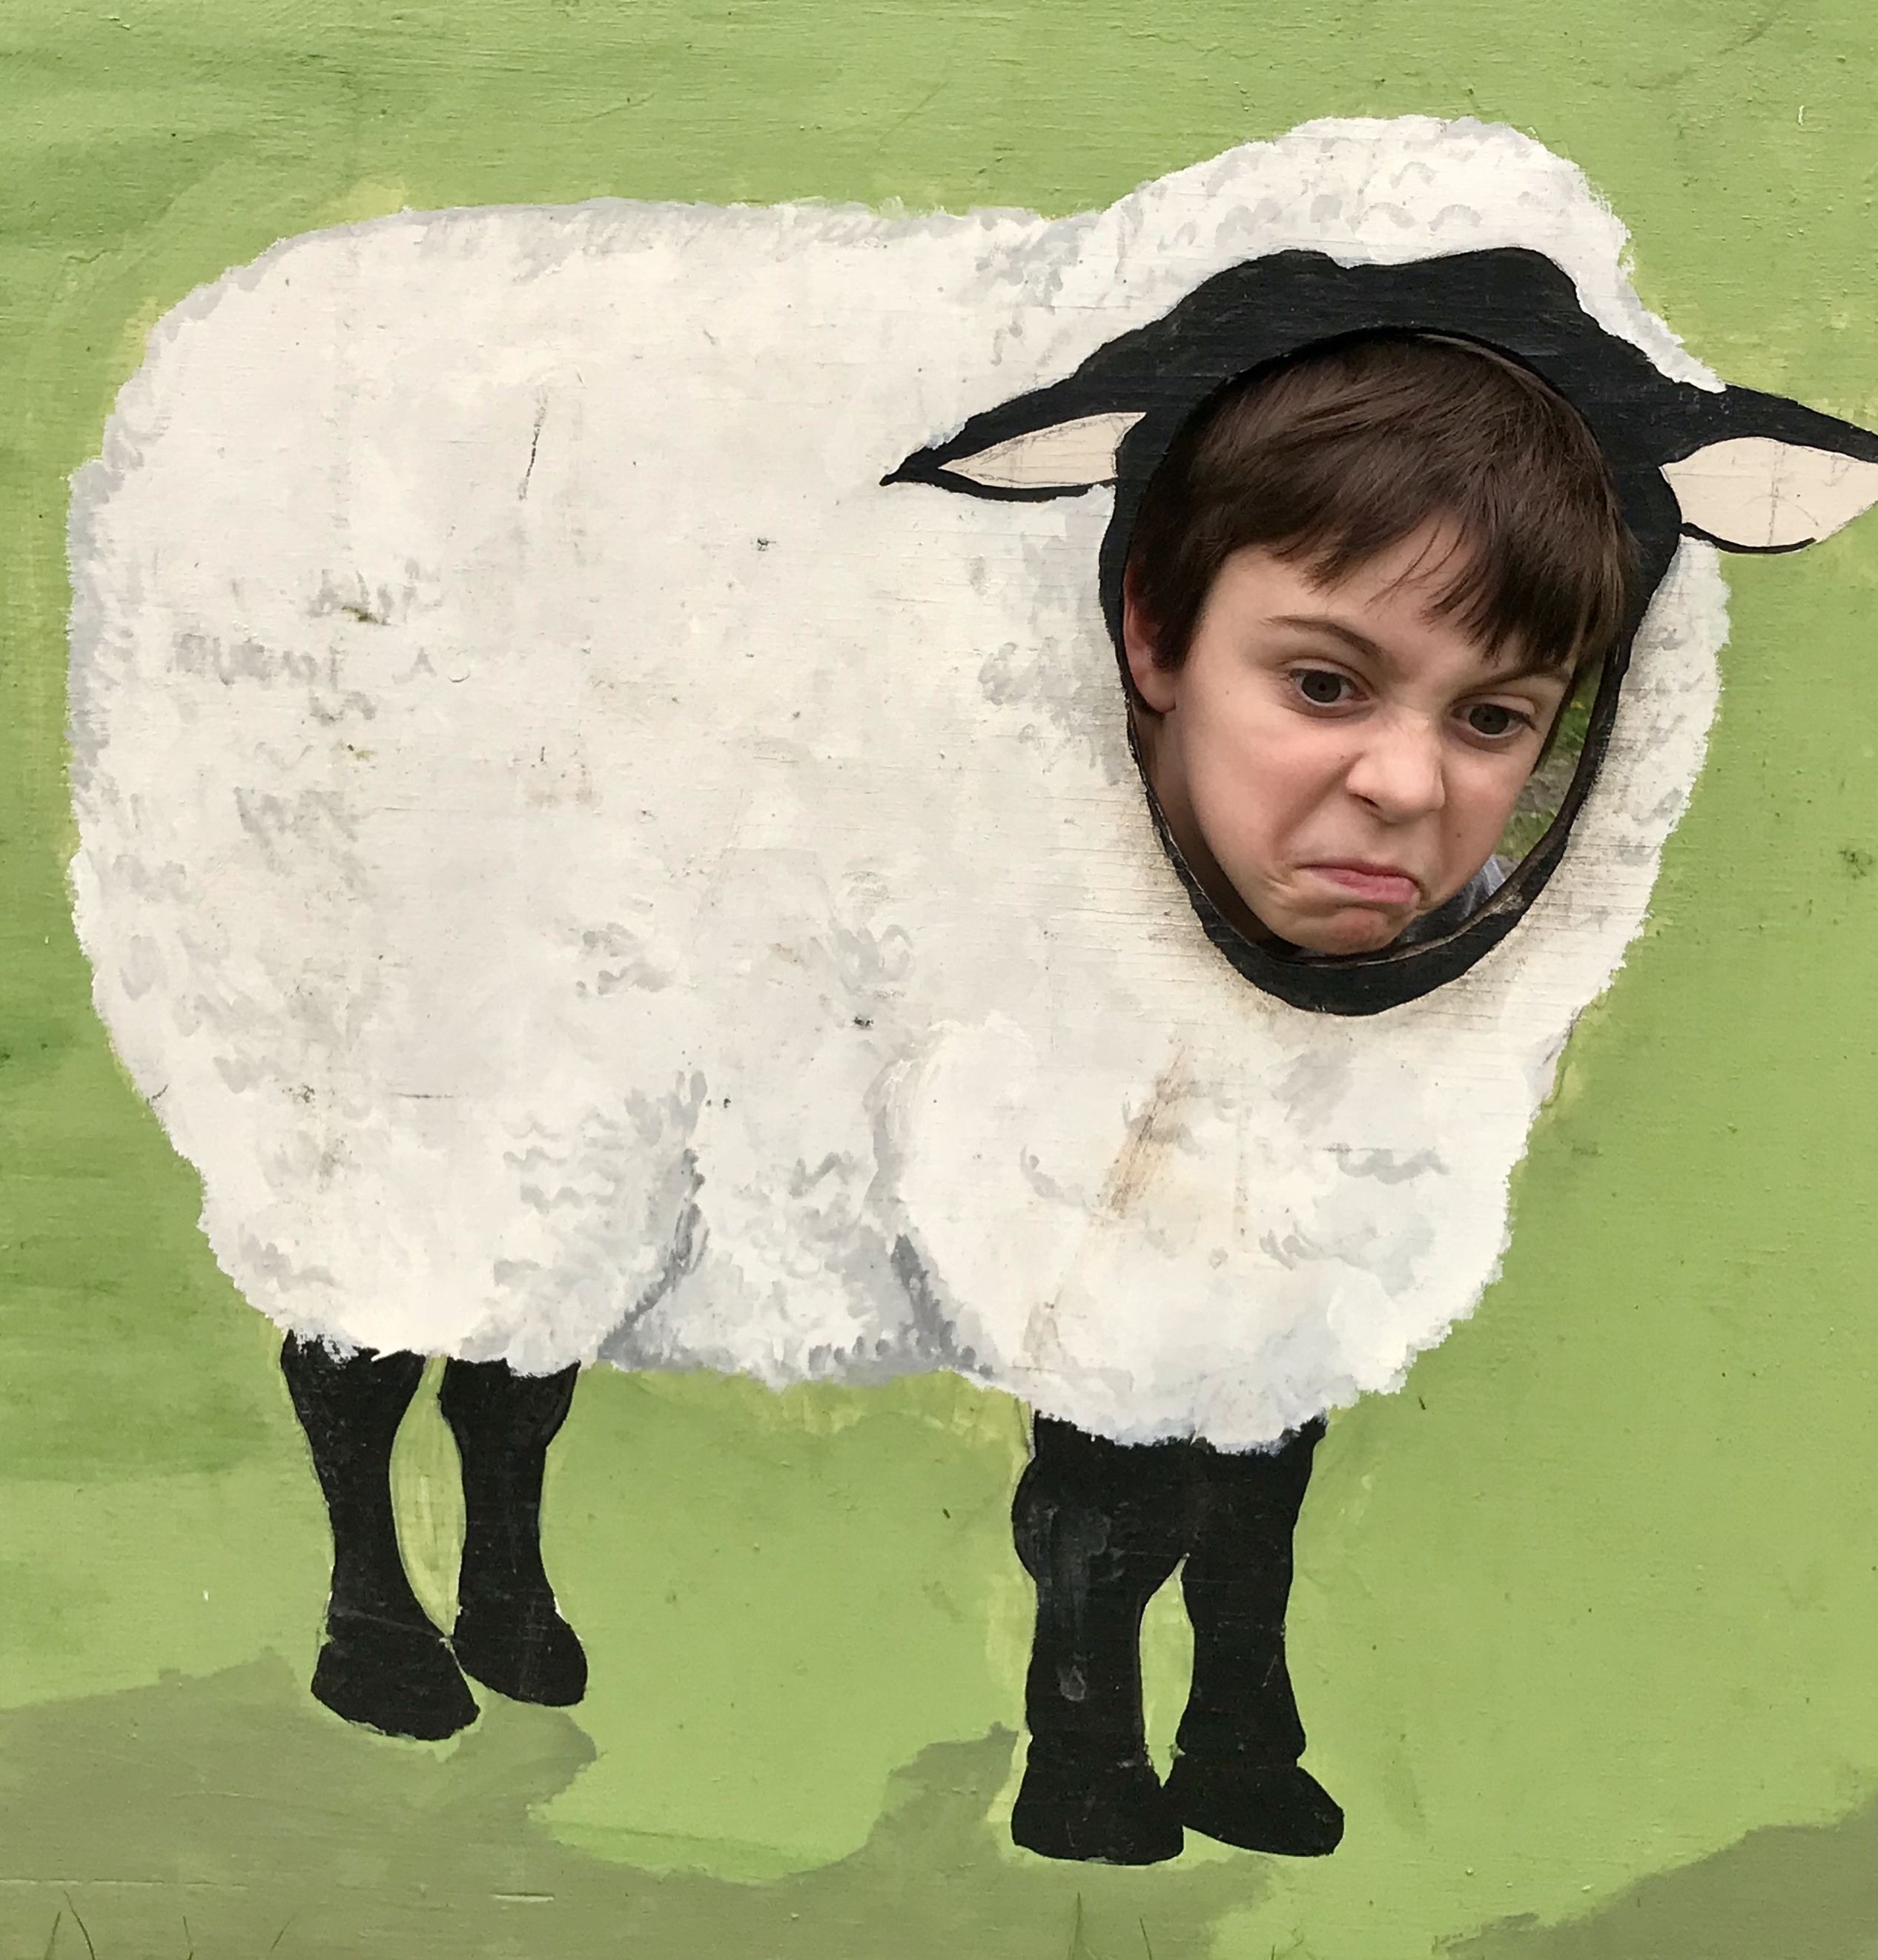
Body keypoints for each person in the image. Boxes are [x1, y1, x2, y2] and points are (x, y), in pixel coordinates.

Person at [1011, 331, 1636, 1867]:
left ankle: (1235, 1734)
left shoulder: (1465, 938)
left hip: (1298, 1233)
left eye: (1491, 717)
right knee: (1112, 1475)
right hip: (1107, 1231)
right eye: (1321, 683)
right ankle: (1079, 1750)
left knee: (1264, 1468)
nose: (1406, 785)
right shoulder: (1046, 884)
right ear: (1152, 632)